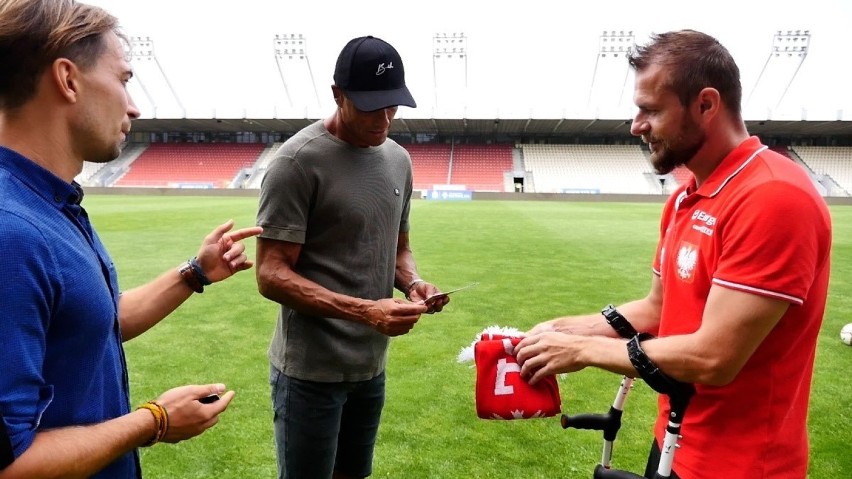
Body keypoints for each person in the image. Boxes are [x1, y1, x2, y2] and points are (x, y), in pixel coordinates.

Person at [514, 29, 831, 479]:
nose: (636, 125)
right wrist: (563, 328)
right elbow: (658, 308)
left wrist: (582, 349)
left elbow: (713, 359)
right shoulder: (686, 196)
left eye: (651, 110)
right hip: (674, 442)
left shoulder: (773, 197)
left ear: (705, 104)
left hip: (742, 466)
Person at [0, 1, 263, 478]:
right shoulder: (10, 233)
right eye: (123, 79)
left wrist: (195, 273)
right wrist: (154, 420)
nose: (134, 105)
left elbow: (95, 321)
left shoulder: (50, 204)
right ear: (68, 79)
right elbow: (10, 464)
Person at [255, 35, 448, 479]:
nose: (384, 119)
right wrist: (365, 312)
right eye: (369, 106)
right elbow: (270, 274)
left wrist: (414, 283)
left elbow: (397, 249)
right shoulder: (297, 163)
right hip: (310, 374)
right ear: (338, 95)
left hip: (369, 369)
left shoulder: (399, 160)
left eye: (393, 106)